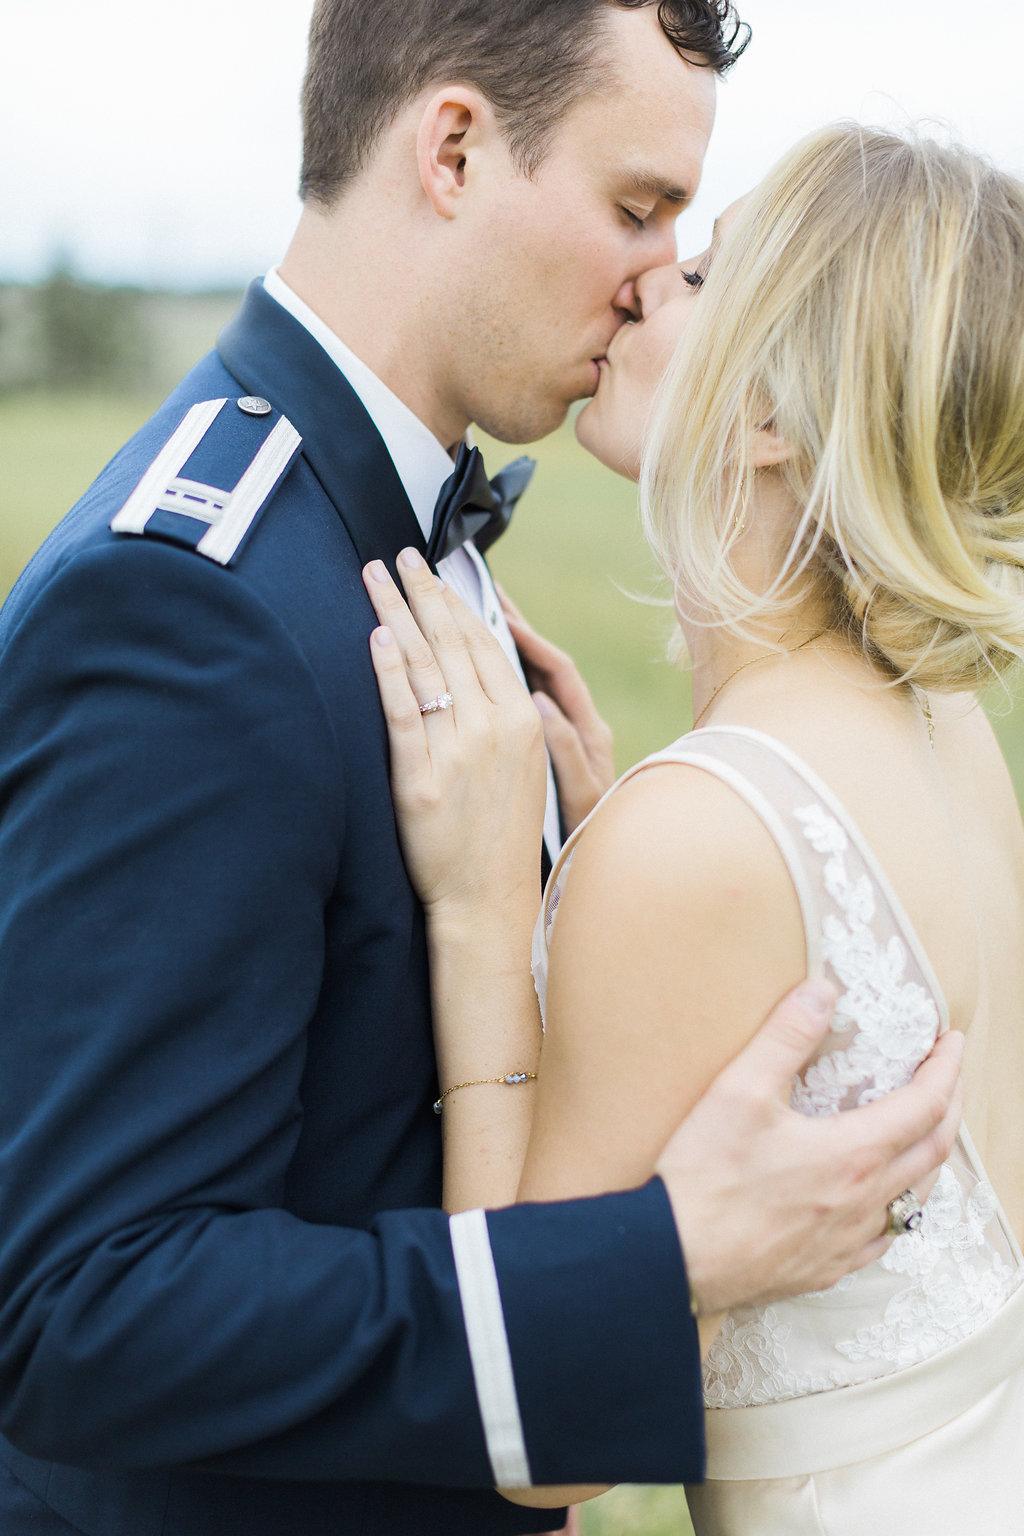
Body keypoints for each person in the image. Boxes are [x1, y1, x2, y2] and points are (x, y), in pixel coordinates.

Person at [0, 0, 963, 1529]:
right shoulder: (189, 603)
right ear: (451, 148)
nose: (662, 274)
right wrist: (658, 1259)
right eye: (636, 208)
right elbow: (87, 1307)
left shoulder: (395, 515)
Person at [365, 122, 1024, 1533]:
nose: (649, 280)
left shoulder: (705, 840)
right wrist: (609, 867)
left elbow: (545, 1431)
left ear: (775, 409)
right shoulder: (946, 732)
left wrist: (490, 914)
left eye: (707, 275)